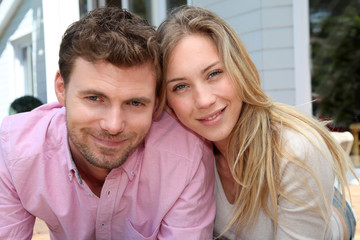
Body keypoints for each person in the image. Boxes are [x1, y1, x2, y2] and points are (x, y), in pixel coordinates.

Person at [0, 7, 215, 239]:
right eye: (94, 98)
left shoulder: (185, 157)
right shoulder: (14, 150)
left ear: (156, 103)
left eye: (134, 103)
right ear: (62, 89)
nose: (113, 126)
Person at [157, 6, 357, 239]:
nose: (203, 100)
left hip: (328, 215)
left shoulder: (296, 152)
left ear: (239, 68)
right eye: (180, 86)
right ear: (167, 101)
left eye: (214, 73)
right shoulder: (182, 154)